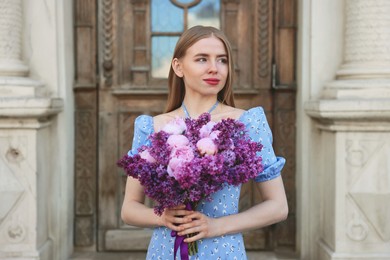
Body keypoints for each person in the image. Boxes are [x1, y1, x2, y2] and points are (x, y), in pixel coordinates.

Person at [121, 25, 288, 259]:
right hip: (165, 251)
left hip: (223, 251)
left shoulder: (246, 123)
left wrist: (215, 226)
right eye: (202, 59)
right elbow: (129, 209)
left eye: (222, 60)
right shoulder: (152, 127)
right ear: (178, 66)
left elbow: (278, 206)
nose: (214, 68)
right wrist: (163, 217)